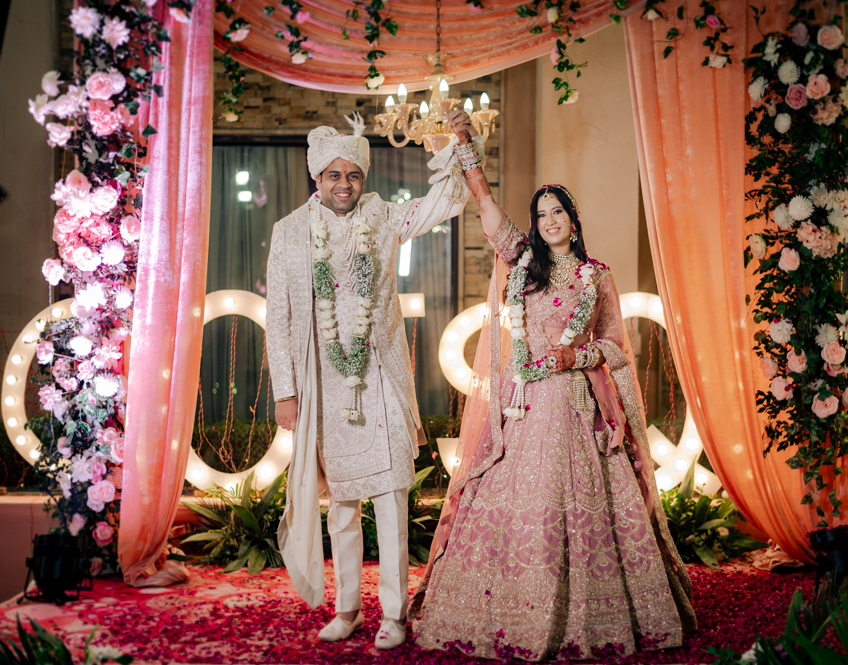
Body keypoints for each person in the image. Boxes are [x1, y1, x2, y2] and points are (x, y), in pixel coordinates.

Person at [409, 117, 697, 660]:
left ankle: (589, 614)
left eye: (556, 212)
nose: (548, 221)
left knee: (580, 507)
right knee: (520, 505)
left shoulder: (597, 276)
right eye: (540, 215)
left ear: (573, 219)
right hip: (525, 406)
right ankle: (509, 611)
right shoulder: (523, 265)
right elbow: (487, 208)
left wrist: (578, 355)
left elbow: (615, 346)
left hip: (576, 404)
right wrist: (467, 150)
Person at [266, 112, 483, 649]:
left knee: (390, 500)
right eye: (334, 175)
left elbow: (443, 203)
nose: (344, 184)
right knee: (341, 505)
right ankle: (347, 609)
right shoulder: (290, 232)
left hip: (380, 379)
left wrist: (460, 145)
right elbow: (279, 318)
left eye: (354, 175)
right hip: (324, 387)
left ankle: (394, 613)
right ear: (317, 177)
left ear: (364, 178)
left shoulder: (383, 218)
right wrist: (285, 392)